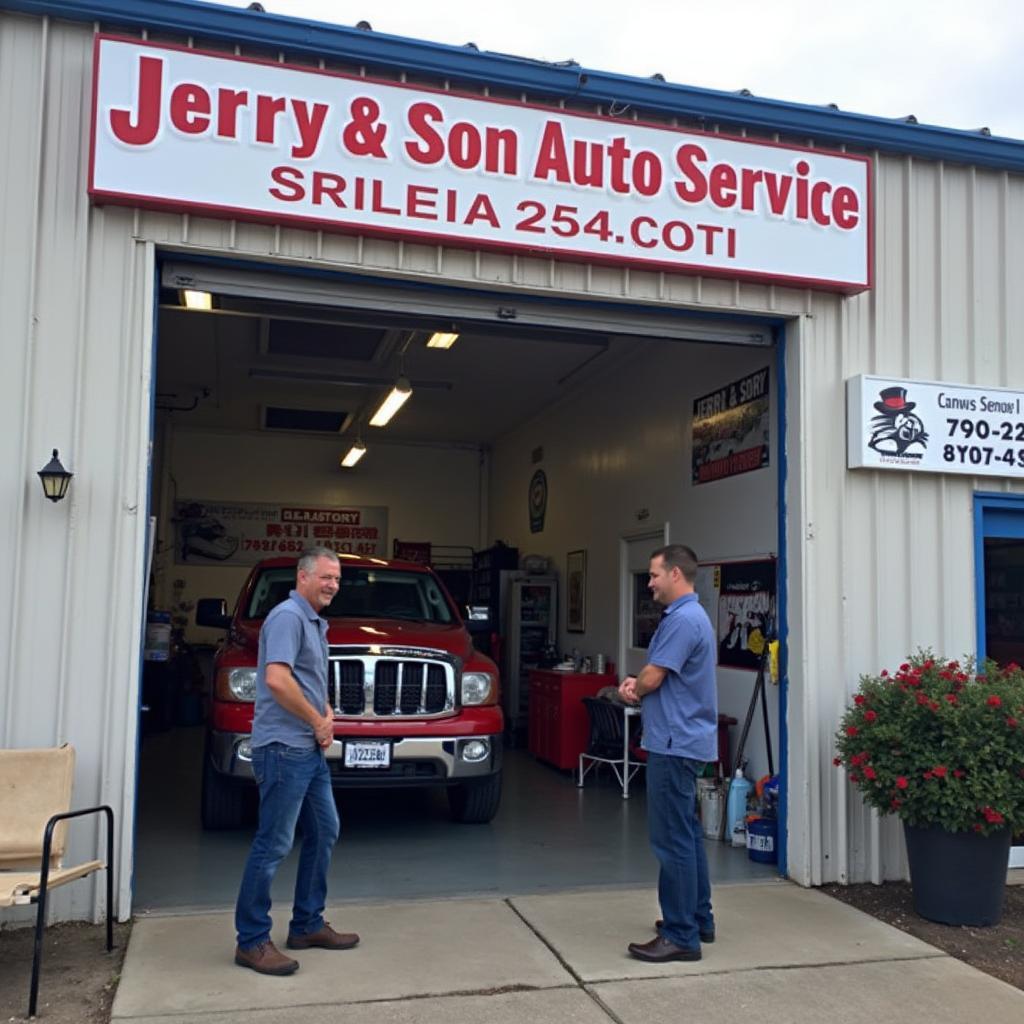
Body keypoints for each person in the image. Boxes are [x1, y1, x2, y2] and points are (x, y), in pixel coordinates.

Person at [234, 547, 359, 975]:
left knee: (325, 829)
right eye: (326, 577)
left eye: (337, 579)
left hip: (307, 748)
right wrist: (316, 721)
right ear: (303, 577)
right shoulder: (288, 616)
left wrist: (324, 713)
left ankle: (306, 924)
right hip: (284, 748)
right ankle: (251, 940)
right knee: (273, 845)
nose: (332, 585)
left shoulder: (312, 622)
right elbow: (277, 678)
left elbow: (307, 678)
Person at [619, 544, 717, 963]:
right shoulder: (691, 617)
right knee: (688, 834)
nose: (651, 582)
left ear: (676, 574)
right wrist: (640, 683)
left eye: (655, 575)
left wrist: (631, 688)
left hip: (673, 743)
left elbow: (654, 676)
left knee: (671, 839)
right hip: (684, 739)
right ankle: (698, 918)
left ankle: (680, 934)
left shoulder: (683, 620)